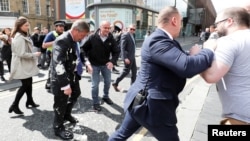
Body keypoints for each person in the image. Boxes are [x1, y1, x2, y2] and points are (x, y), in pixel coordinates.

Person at [108, 6, 215, 141]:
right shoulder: (158, 40)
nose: (181, 27)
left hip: (140, 101)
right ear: (174, 20)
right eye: (181, 22)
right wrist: (209, 50)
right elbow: (187, 67)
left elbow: (175, 58)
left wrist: (191, 55)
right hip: (151, 106)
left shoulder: (162, 39)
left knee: (120, 135)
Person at [201, 7, 250, 125]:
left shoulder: (229, 41)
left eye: (217, 23)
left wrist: (204, 51)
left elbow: (211, 76)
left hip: (240, 118)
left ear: (229, 21)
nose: (216, 28)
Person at [50, 19, 90, 140]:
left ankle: (66, 115)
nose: (82, 38)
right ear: (76, 30)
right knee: (60, 103)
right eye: (82, 35)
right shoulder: (62, 40)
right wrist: (65, 85)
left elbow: (78, 53)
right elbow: (58, 64)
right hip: (61, 78)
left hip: (71, 74)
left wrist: (86, 63)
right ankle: (58, 127)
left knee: (76, 93)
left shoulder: (73, 39)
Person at [81, 20, 120, 111]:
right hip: (94, 65)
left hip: (106, 65)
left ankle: (105, 96)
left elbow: (116, 51)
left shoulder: (111, 38)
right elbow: (82, 49)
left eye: (108, 28)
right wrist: (87, 62)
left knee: (107, 82)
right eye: (105, 27)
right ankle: (95, 102)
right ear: (100, 27)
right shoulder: (92, 37)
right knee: (95, 85)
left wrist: (112, 62)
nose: (107, 30)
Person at [8, 16, 41, 115]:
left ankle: (29, 101)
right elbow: (21, 54)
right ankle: (14, 105)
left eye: (28, 25)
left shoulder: (24, 35)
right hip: (21, 64)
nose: (28, 27)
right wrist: (34, 55)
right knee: (25, 85)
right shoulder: (19, 37)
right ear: (19, 26)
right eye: (26, 25)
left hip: (26, 64)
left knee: (29, 83)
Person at [112, 24, 137, 92]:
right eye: (131, 29)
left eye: (133, 29)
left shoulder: (133, 35)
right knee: (126, 71)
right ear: (128, 28)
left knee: (134, 71)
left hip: (132, 56)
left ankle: (133, 86)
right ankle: (115, 82)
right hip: (128, 57)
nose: (132, 30)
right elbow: (122, 47)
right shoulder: (125, 35)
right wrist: (125, 58)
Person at [42, 20, 65, 92]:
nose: (62, 28)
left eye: (63, 26)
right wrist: (56, 41)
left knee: (61, 70)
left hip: (61, 55)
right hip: (51, 55)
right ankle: (49, 84)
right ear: (56, 27)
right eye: (60, 26)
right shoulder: (51, 34)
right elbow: (44, 45)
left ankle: (60, 85)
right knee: (52, 70)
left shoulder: (64, 34)